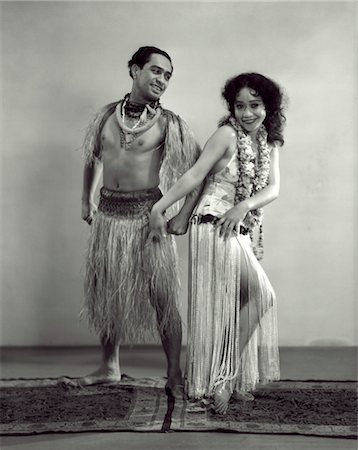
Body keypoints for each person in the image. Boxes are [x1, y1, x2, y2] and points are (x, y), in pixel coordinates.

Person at [149, 72, 286, 413]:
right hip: (212, 224)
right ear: (232, 109)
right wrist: (160, 207)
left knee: (245, 301)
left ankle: (224, 376)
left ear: (268, 106)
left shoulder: (269, 142)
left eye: (255, 105)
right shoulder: (226, 134)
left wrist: (243, 206)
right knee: (261, 294)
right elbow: (196, 174)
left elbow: (273, 188)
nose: (247, 113)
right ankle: (223, 378)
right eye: (240, 106)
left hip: (236, 224)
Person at [74, 46, 201, 396]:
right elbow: (92, 158)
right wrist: (87, 198)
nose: (162, 79)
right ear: (134, 70)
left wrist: (183, 216)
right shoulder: (104, 117)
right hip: (108, 217)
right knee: (108, 294)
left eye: (167, 75)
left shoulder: (168, 123)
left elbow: (199, 172)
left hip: (149, 219)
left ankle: (174, 374)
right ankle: (109, 367)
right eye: (156, 71)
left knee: (163, 298)